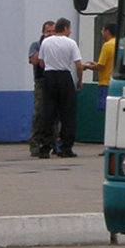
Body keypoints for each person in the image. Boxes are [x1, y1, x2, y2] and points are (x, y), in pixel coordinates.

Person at [37, 17, 87, 158]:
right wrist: (79, 80)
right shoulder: (71, 43)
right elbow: (78, 65)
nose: (70, 31)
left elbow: (41, 62)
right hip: (64, 76)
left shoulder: (46, 42)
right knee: (67, 114)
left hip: (49, 76)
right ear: (65, 28)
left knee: (49, 113)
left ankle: (45, 147)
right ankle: (66, 148)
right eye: (69, 29)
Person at [27, 20, 57, 157]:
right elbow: (34, 60)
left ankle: (53, 143)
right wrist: (44, 49)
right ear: (43, 32)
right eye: (48, 31)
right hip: (41, 82)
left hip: (55, 82)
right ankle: (35, 143)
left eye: (53, 31)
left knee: (55, 114)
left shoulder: (58, 45)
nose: (50, 34)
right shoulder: (36, 45)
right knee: (39, 113)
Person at [84, 23, 117, 112]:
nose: (102, 33)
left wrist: (87, 66)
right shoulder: (118, 44)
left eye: (103, 30)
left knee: (105, 110)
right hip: (115, 83)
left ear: (107, 31)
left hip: (105, 83)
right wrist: (95, 64)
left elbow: (101, 67)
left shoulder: (107, 45)